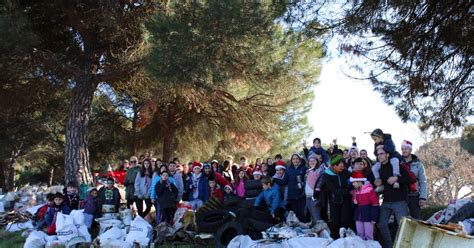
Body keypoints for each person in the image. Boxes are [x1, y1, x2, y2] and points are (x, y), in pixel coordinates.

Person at [376, 147, 411, 248]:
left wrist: (397, 178)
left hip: (399, 201)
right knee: (382, 224)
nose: (380, 156)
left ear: (387, 154)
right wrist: (378, 183)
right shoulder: (379, 168)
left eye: (382, 154)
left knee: (403, 227)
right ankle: (389, 246)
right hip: (386, 201)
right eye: (378, 154)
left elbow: (409, 179)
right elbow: (381, 185)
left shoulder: (397, 165)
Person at [319, 154, 353, 239]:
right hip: (334, 200)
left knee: (345, 220)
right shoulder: (327, 175)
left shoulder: (346, 173)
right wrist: (348, 191)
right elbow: (333, 189)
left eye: (343, 164)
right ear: (334, 166)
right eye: (340, 165)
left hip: (346, 200)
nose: (342, 166)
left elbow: (351, 183)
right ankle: (336, 239)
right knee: (335, 221)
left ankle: (345, 238)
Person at [401, 140, 428, 219]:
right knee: (399, 220)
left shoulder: (418, 164)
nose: (404, 150)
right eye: (402, 148)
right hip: (401, 196)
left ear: (410, 150)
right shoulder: (398, 162)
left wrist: (423, 197)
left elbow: (423, 181)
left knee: (417, 219)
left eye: (406, 148)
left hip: (414, 196)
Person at [350, 171, 379, 241]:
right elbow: (353, 205)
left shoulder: (369, 190)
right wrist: (354, 202)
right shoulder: (355, 191)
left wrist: (374, 218)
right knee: (360, 235)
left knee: (368, 235)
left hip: (368, 217)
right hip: (358, 217)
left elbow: (375, 204)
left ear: (359, 181)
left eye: (354, 182)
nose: (352, 184)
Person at [286, 153, 307, 222]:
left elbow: (307, 181)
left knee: (301, 213)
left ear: (299, 160)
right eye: (294, 159)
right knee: (294, 214)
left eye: (297, 158)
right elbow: (284, 181)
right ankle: (296, 230)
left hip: (301, 195)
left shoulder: (304, 168)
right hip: (291, 195)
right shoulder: (288, 169)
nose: (295, 160)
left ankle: (303, 229)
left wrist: (302, 184)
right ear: (291, 160)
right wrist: (274, 178)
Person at [305, 155, 324, 224]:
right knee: (312, 216)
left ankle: (322, 232)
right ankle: (316, 232)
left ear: (317, 162)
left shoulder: (320, 170)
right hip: (307, 196)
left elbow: (321, 181)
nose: (311, 162)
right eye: (310, 161)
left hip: (315, 196)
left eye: (313, 160)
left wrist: (317, 190)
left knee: (316, 216)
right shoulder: (308, 171)